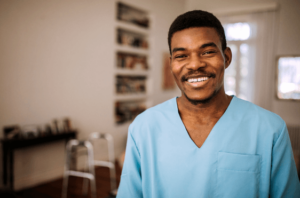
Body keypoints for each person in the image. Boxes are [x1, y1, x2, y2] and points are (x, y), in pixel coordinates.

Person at [116, 10, 300, 198]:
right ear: (171, 64)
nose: (195, 64)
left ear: (226, 58)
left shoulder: (270, 129)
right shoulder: (143, 127)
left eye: (208, 52)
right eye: (181, 56)